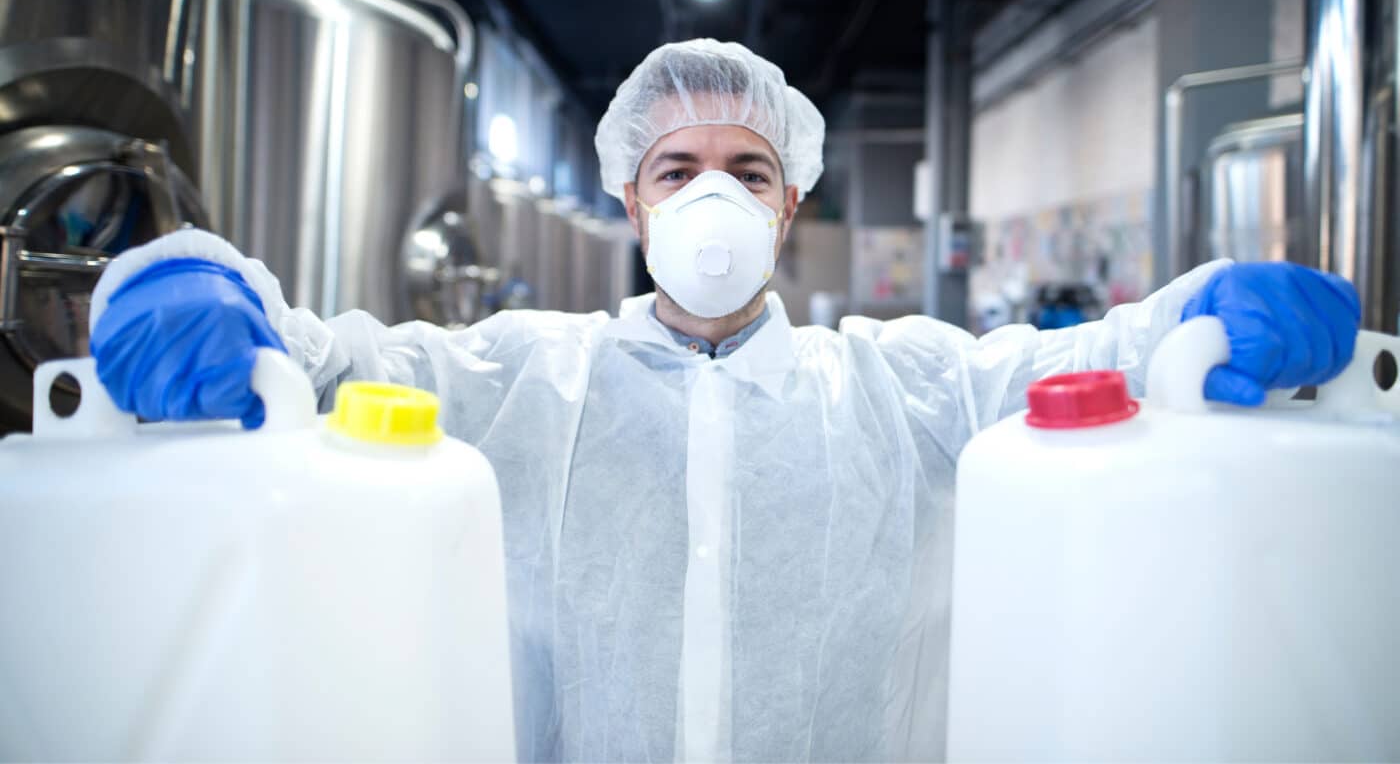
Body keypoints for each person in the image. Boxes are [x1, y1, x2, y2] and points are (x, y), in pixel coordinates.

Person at [88, 39, 1360, 762]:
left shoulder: (899, 385)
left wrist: (1204, 313)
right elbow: (324, 361)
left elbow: (1073, 366)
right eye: (676, 168)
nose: (713, 196)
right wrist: (182, 274)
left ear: (789, 199)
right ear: (631, 202)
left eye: (746, 168)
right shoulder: (522, 377)